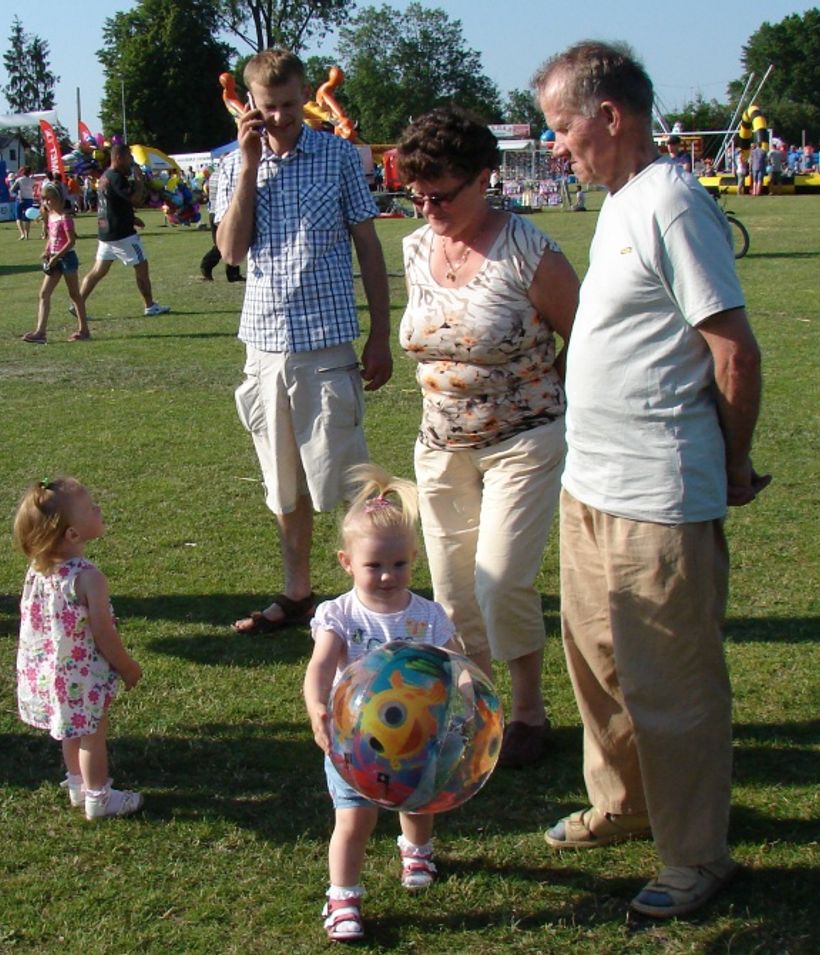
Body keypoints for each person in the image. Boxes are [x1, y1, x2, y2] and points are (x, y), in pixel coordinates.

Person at [534, 40, 767, 918]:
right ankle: (623, 805)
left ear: (609, 116)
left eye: (561, 128)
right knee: (596, 664)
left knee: (671, 683)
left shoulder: (672, 200)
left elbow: (734, 351)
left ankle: (698, 855)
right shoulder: (622, 200)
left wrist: (732, 462)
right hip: (590, 487)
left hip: (657, 497)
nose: (555, 146)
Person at [395, 106, 580, 769]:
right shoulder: (416, 246)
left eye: (440, 193)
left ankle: (529, 710)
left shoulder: (528, 249)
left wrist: (542, 394)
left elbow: (582, 336)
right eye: (415, 192)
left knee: (501, 581)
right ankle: (479, 709)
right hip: (440, 445)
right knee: (453, 591)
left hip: (523, 441)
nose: (427, 206)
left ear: (483, 177)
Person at [212, 48, 393, 635]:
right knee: (282, 485)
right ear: (250, 106)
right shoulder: (232, 166)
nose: (282, 117)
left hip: (327, 347)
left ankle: (368, 595)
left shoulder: (338, 156)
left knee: (348, 483)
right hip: (263, 348)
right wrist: (245, 166)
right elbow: (232, 250)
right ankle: (297, 594)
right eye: (270, 108)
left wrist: (380, 335)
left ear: (304, 94)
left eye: (290, 104)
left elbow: (368, 245)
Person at [303, 464, 456, 942]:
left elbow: (454, 666)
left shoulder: (428, 616)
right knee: (353, 819)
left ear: (414, 558)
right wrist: (317, 709)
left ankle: (417, 848)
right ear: (346, 562)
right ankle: (343, 897)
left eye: (399, 564)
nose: (388, 576)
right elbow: (321, 668)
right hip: (355, 743)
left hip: (416, 738)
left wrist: (469, 704)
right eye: (373, 566)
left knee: (417, 801)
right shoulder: (340, 614)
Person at [13, 476, 143, 821]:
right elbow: (103, 632)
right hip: (82, 672)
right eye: (89, 508)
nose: (98, 509)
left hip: (53, 672)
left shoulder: (39, 570)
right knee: (92, 735)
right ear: (72, 534)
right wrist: (126, 666)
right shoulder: (88, 578)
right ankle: (99, 797)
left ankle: (76, 784)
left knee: (69, 727)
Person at [76, 144, 171, 318]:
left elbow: (114, 204)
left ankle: (77, 304)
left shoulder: (106, 176)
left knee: (98, 271)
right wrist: (140, 181)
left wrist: (132, 218)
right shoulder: (116, 177)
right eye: (129, 157)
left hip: (107, 231)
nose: (131, 161)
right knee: (141, 266)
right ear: (119, 158)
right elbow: (134, 199)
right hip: (122, 234)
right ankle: (150, 305)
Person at [22, 187, 89, 343]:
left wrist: (57, 256)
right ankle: (40, 332)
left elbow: (71, 241)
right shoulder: (50, 216)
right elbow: (52, 238)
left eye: (49, 199)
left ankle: (84, 330)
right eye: (44, 199)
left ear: (58, 199)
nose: (46, 202)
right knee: (44, 293)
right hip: (54, 259)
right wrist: (47, 251)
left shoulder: (65, 218)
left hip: (67, 259)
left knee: (74, 295)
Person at [9, 166, 35, 240]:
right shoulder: (32, 181)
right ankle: (27, 235)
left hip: (20, 199)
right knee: (28, 217)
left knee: (18, 217)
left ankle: (22, 233)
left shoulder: (19, 180)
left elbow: (12, 189)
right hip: (29, 199)